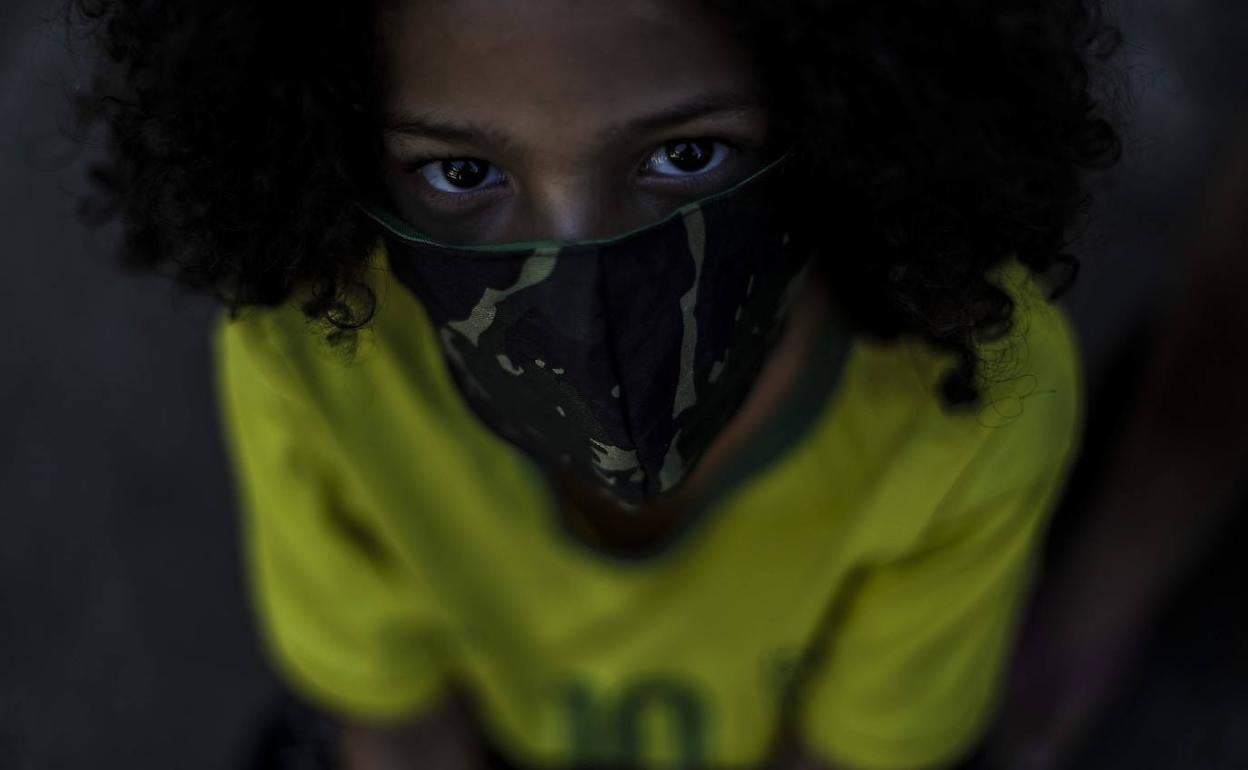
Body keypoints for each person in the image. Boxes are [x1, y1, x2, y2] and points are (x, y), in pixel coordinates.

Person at [69, 1, 1121, 768]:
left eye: (689, 153)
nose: (586, 297)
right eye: (463, 174)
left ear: (851, 113)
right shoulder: (312, 351)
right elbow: (396, 724)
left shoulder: (969, 397)